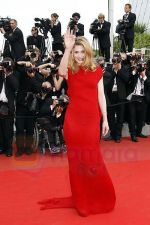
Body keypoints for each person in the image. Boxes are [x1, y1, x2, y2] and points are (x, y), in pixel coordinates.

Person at [38, 30, 116, 216]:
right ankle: (82, 198)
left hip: (91, 121)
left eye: (82, 52)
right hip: (73, 122)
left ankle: (98, 196)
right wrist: (67, 49)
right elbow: (60, 71)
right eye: (76, 52)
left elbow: (101, 96)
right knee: (76, 163)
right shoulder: (70, 70)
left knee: (92, 161)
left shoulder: (96, 70)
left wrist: (105, 119)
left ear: (88, 52)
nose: (79, 55)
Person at [0, 57, 18, 157]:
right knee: (0, 129)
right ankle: (2, 147)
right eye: (4, 64)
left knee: (8, 129)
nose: (5, 65)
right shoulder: (0, 74)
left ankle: (9, 149)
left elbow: (16, 86)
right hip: (0, 104)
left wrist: (9, 73)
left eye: (7, 64)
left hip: (7, 106)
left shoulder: (14, 75)